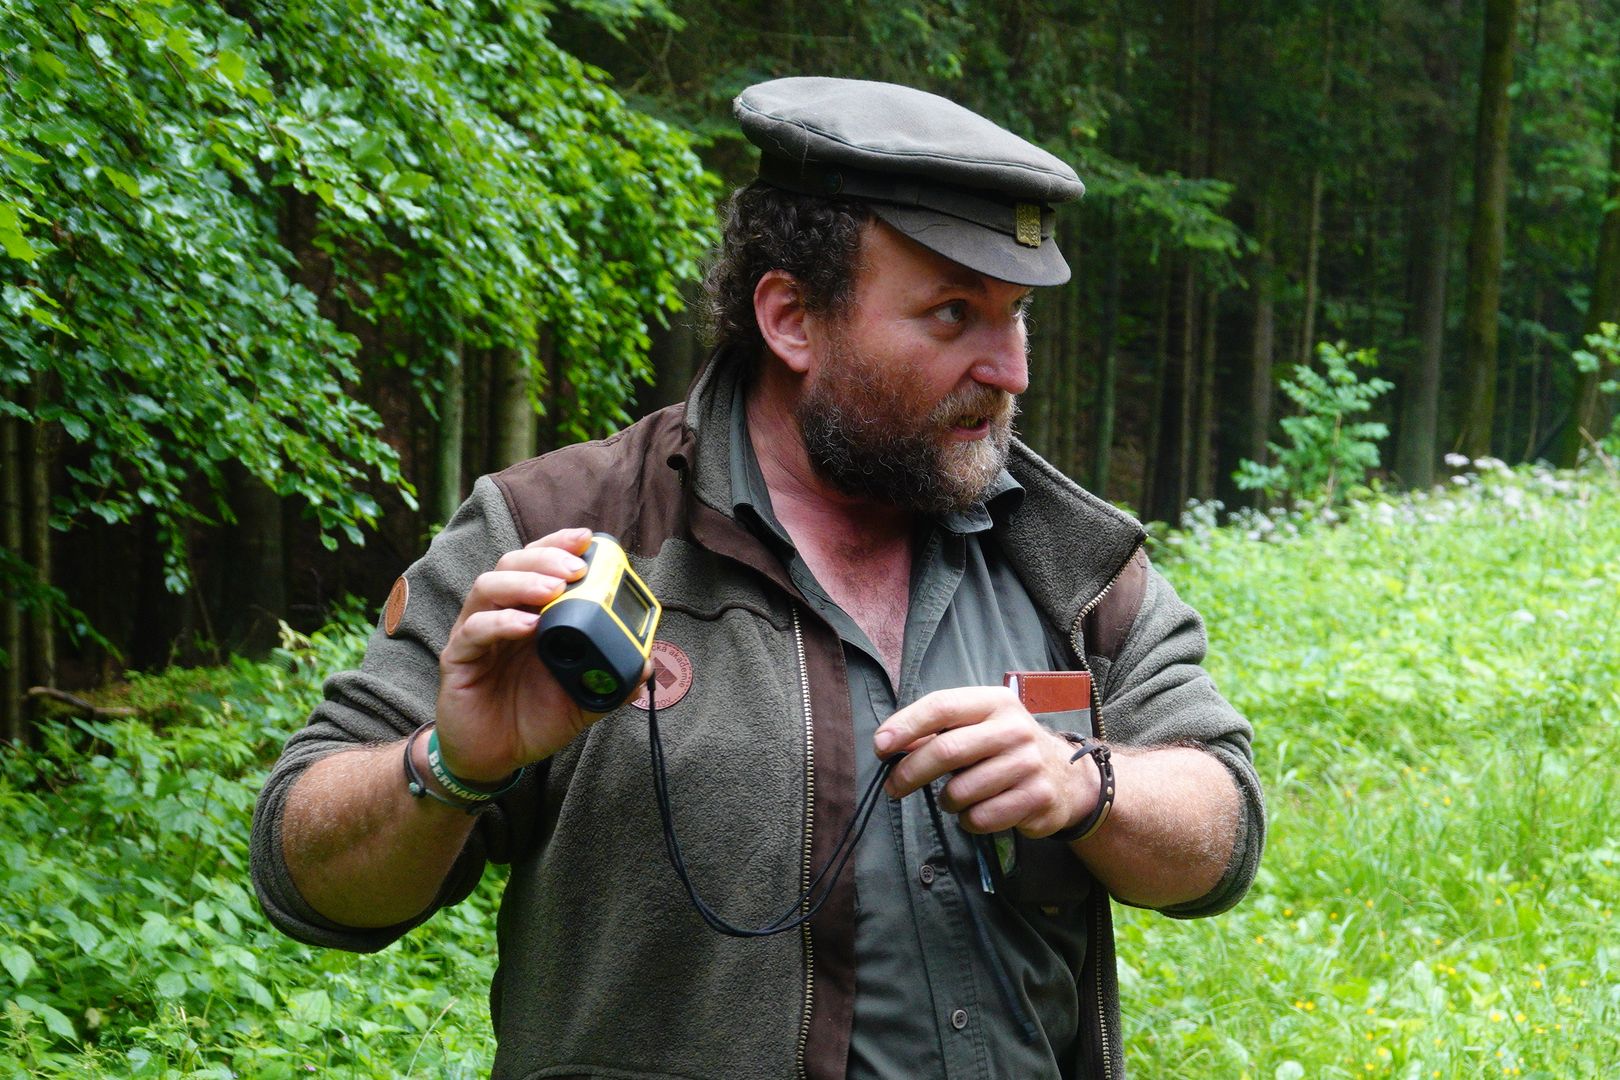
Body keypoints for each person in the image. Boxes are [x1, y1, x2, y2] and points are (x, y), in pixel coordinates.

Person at [251, 76, 1265, 1080]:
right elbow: (306, 877)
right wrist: (451, 768)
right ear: (792, 319)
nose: (1011, 370)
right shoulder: (558, 532)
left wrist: (1087, 783)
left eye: (1017, 315)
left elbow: (1221, 824)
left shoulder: (1066, 557)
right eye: (955, 314)